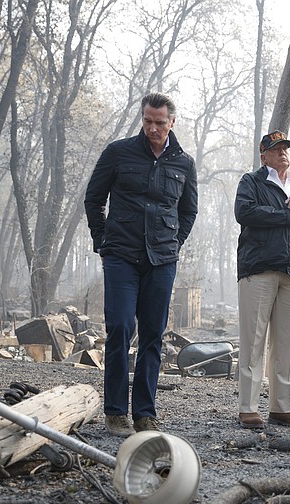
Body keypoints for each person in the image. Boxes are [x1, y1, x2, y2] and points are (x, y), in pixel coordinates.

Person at [84, 92, 198, 437]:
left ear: (172, 123)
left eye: (159, 123)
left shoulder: (184, 163)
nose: (152, 128)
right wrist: (101, 239)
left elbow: (188, 211)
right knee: (119, 327)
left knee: (153, 334)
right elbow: (94, 198)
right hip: (120, 255)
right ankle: (115, 411)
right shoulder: (118, 152)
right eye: (147, 121)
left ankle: (145, 413)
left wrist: (174, 243)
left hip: (162, 261)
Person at [234, 130, 290, 429]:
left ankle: (281, 408)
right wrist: (285, 216)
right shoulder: (252, 182)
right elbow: (244, 212)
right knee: (254, 340)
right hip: (258, 268)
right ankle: (248, 407)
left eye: (285, 147)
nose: (282, 152)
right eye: (275, 149)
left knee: (286, 343)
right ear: (263, 155)